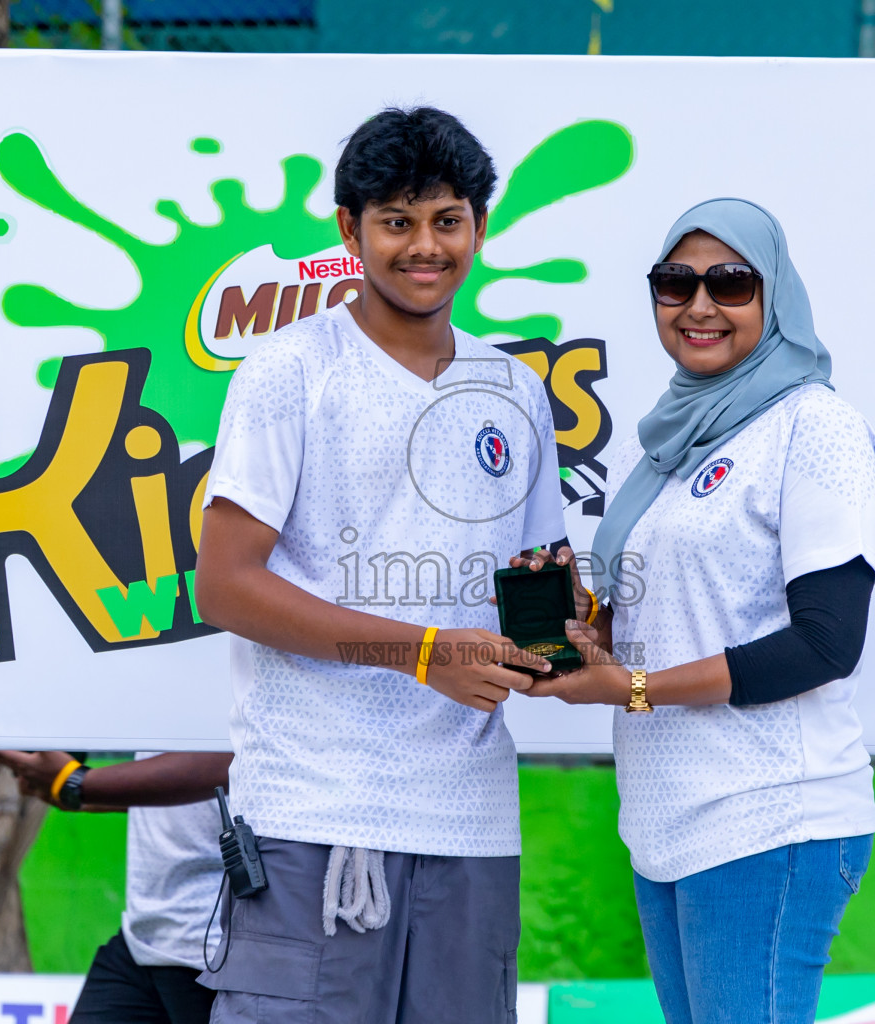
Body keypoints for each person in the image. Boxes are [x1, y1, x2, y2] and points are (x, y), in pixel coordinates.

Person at [191, 106, 568, 1024]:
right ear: (348, 228)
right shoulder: (290, 370)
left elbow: (536, 579)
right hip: (315, 813)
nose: (424, 247)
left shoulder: (514, 387)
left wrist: (564, 639)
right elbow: (227, 583)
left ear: (479, 225)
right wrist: (422, 650)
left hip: (470, 818)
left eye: (447, 220)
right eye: (397, 222)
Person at [518, 198, 875, 1024]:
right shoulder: (672, 442)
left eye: (730, 282)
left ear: (775, 295)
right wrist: (580, 635)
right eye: (674, 283)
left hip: (767, 813)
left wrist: (631, 686)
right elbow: (663, 623)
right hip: (666, 817)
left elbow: (826, 645)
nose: (700, 306)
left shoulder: (815, 427)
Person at [0, 749, 232, 1024]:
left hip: (220, 950)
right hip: (143, 940)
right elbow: (189, 794)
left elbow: (230, 763)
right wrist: (84, 789)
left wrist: (78, 782)